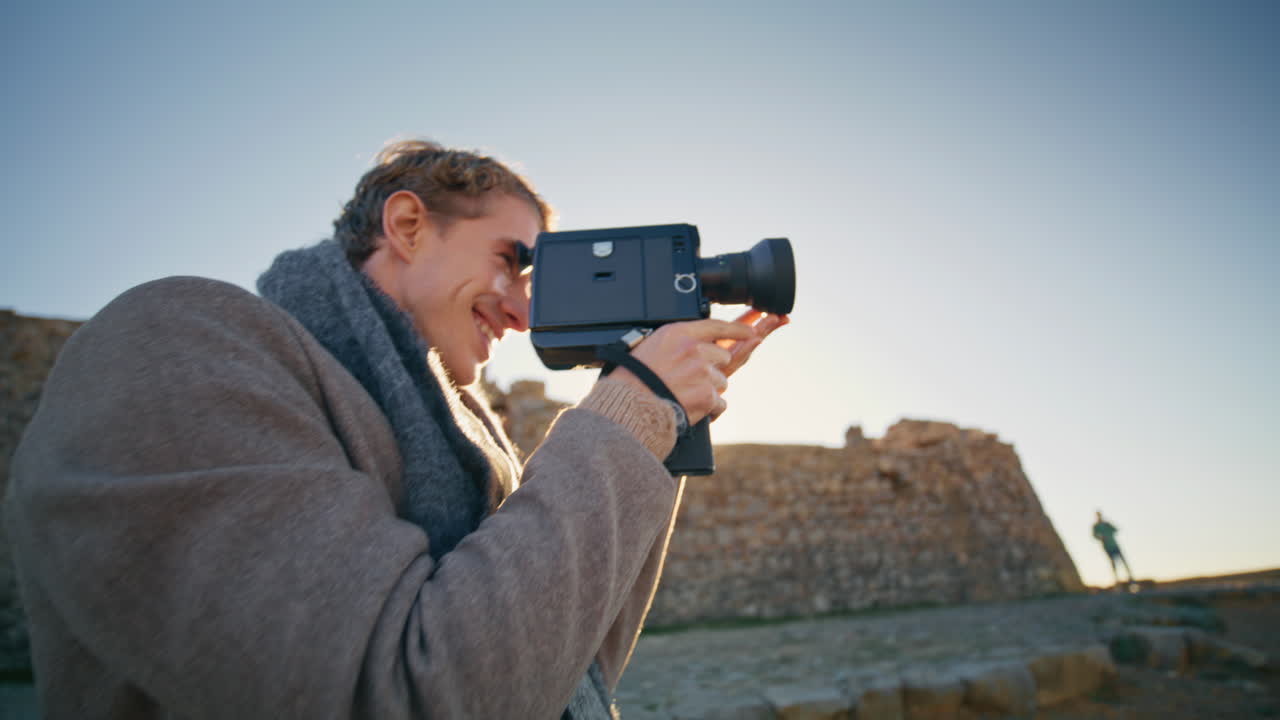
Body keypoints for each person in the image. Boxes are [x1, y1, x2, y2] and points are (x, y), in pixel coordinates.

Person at [5, 139, 788, 719]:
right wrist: (631, 406)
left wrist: (663, 424)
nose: (523, 308)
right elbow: (398, 696)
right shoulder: (178, 340)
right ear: (409, 224)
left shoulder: (468, 432)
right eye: (510, 263)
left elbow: (562, 664)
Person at [1092, 510, 1134, 586]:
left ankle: (1131, 578)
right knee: (1113, 563)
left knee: (1123, 561)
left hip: (1114, 545)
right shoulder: (1096, 526)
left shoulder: (1107, 524)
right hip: (1107, 547)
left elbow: (1116, 529)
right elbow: (1094, 536)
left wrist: (1109, 529)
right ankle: (1117, 580)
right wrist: (1100, 537)